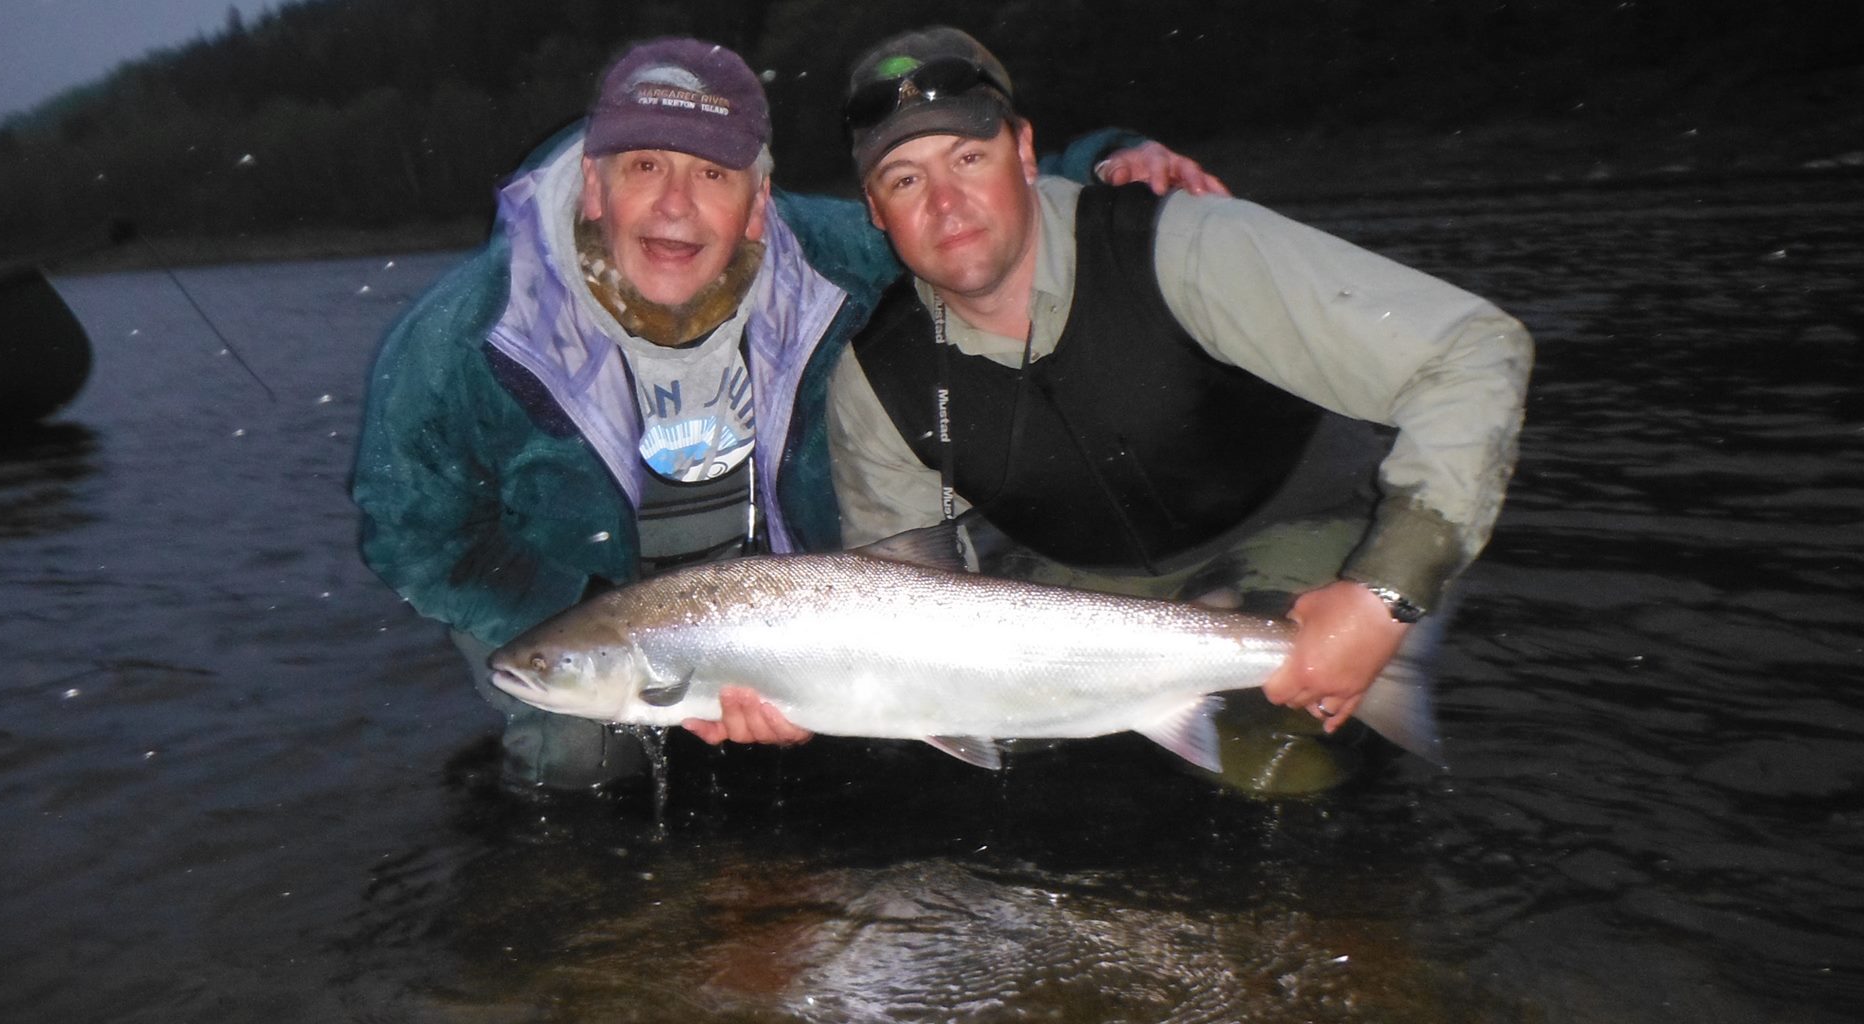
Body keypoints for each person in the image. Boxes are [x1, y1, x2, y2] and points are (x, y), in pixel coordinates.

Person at [349, 36, 1224, 793]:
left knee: (882, 756)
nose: (676, 206)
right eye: (645, 167)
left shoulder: (835, 260)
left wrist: (1112, 162)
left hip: (799, 608)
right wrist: (575, 610)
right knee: (577, 762)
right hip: (580, 605)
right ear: (593, 186)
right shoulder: (461, 341)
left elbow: (965, 211)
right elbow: (412, 536)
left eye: (712, 174)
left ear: (759, 203)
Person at [824, 27, 1534, 792]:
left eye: (969, 158)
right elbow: (896, 603)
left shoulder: (1180, 245)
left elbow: (1470, 350)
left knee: (1279, 760)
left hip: (1300, 528)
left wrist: (1382, 595)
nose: (945, 203)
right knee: (990, 768)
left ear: (1025, 152)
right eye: (904, 179)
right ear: (874, 210)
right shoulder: (875, 382)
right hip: (1089, 582)